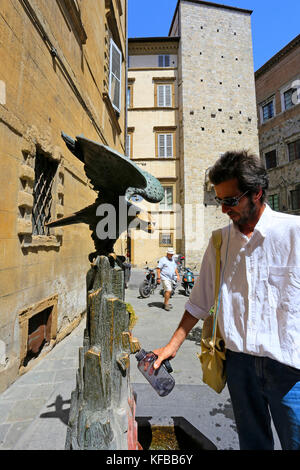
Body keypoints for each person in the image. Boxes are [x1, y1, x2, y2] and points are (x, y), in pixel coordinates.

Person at [153, 150, 300, 450]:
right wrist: (172, 346)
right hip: (238, 365)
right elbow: (199, 300)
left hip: (290, 370)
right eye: (219, 200)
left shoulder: (294, 234)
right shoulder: (219, 242)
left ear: (257, 193)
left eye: (230, 201)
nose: (223, 209)